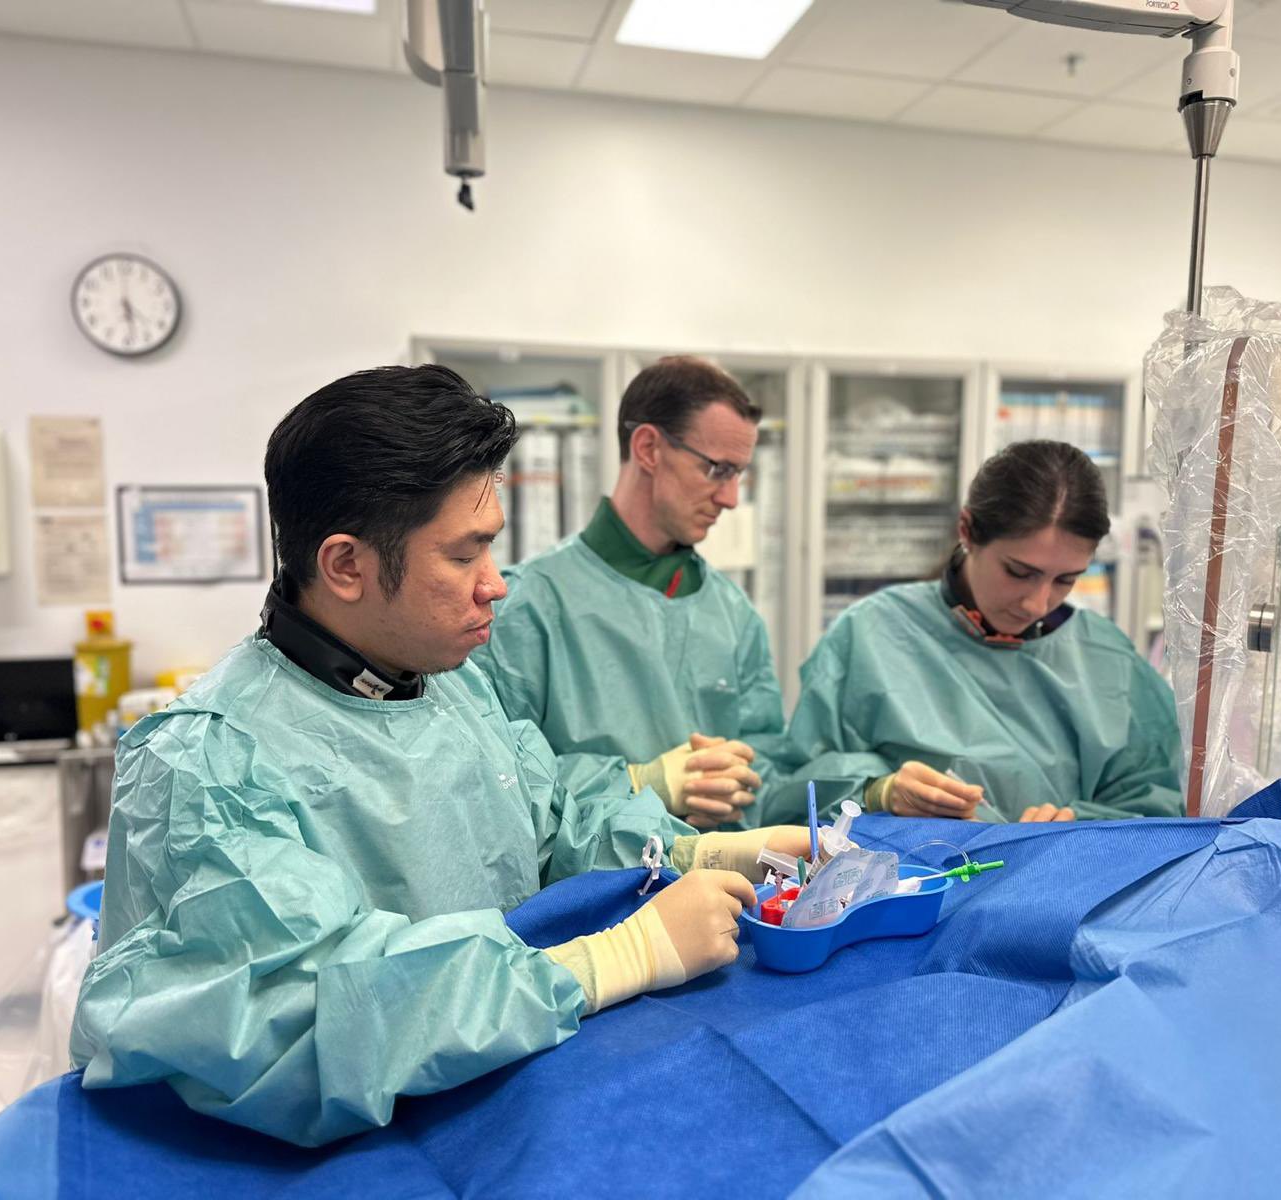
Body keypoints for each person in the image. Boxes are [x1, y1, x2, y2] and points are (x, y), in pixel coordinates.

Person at [70, 366, 810, 1147]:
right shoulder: (206, 762)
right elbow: (287, 1022)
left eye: (493, 549)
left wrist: (701, 851)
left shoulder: (443, 687)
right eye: (464, 556)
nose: (496, 586)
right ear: (346, 566)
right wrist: (607, 960)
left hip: (491, 1101)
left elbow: (546, 822)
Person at [769, 440, 1182, 826]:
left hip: (1058, 889)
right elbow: (791, 791)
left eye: (1066, 580)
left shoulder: (1105, 657)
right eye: (1019, 573)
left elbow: (1157, 802)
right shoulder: (871, 635)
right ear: (967, 530)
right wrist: (876, 791)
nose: (1037, 604)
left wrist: (1081, 827)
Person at [472, 356, 784, 830]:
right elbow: (494, 778)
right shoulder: (527, 606)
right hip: (595, 898)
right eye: (719, 469)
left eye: (741, 474)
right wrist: (642, 782)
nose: (732, 498)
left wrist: (737, 783)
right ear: (648, 448)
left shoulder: (733, 614)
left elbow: (768, 765)